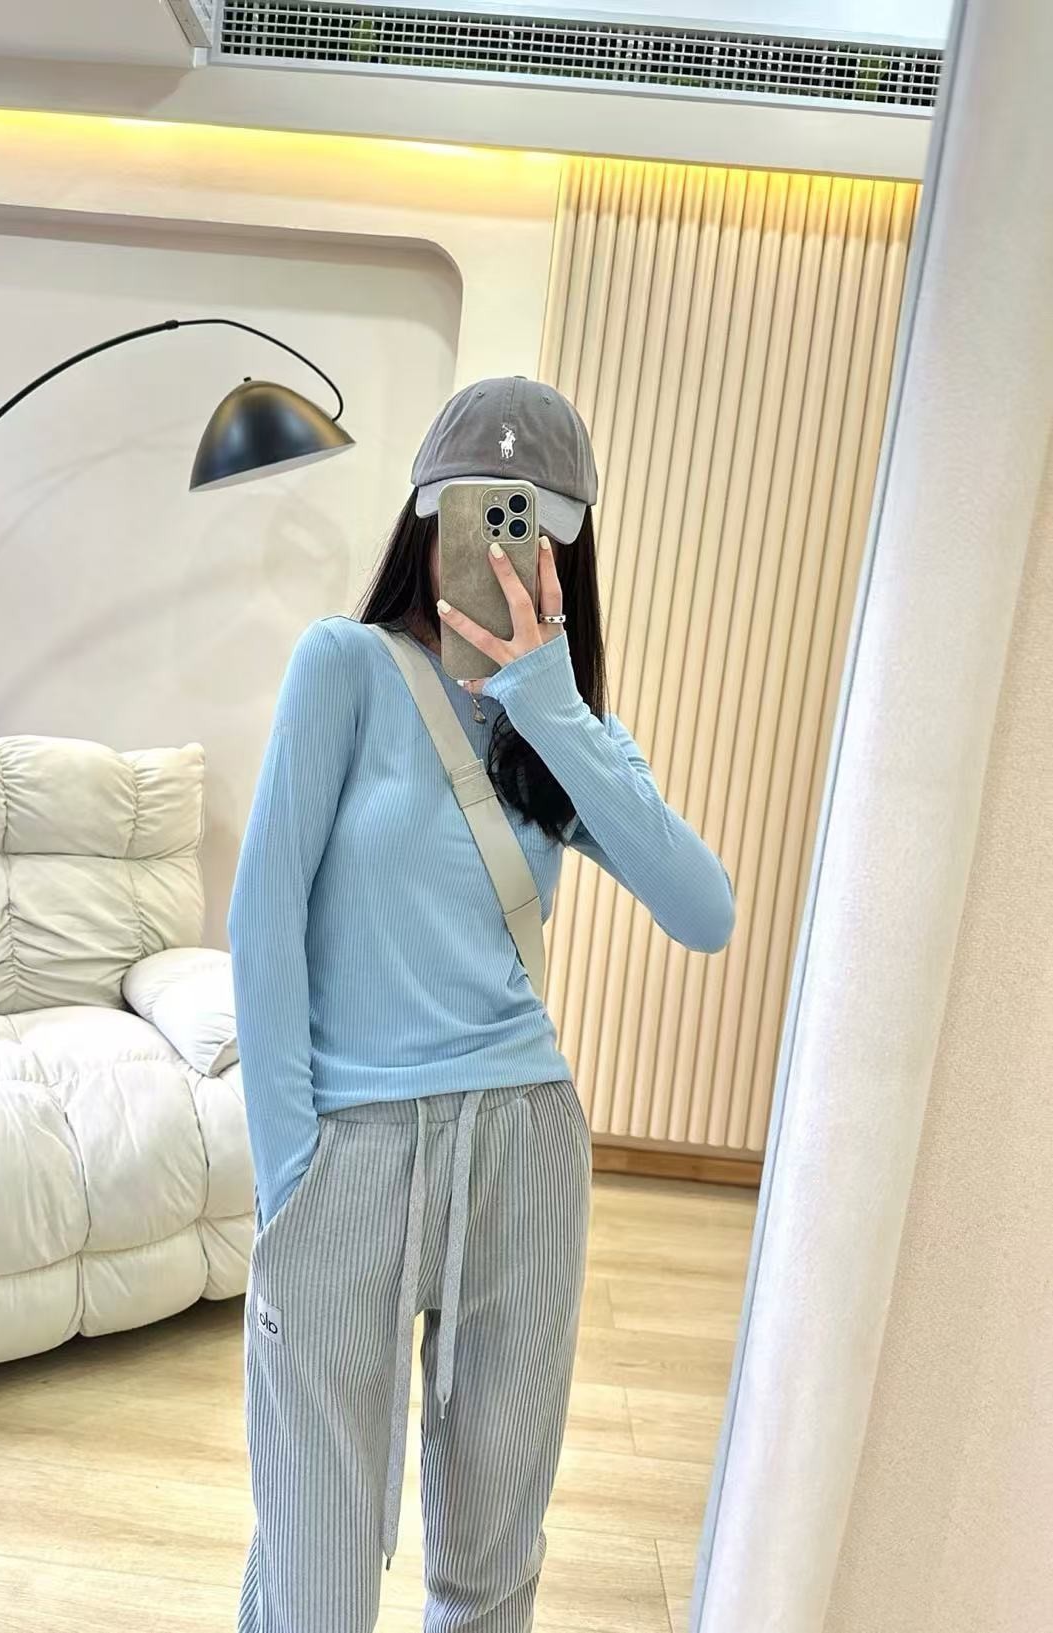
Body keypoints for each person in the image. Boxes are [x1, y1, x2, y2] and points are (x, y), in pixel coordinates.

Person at [227, 376, 736, 1632]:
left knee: (492, 1562)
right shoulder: (344, 667)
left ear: (569, 551)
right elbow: (262, 914)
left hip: (522, 1151)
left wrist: (549, 704)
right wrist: (290, 1169)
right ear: (427, 519)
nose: (502, 556)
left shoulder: (565, 732)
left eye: (531, 533)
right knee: (315, 1569)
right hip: (347, 1152)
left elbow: (704, 909)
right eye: (480, 521)